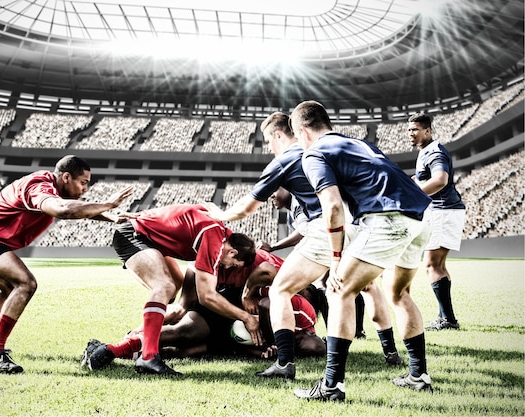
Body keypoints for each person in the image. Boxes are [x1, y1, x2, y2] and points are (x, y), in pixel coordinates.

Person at [204, 112, 401, 381]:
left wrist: (219, 214)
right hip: (360, 223)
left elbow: (247, 207)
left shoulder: (286, 157)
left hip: (326, 226)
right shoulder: (328, 148)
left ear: (277, 135)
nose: (268, 147)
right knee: (363, 288)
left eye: (267, 140)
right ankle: (390, 352)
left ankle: (285, 364)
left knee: (280, 290)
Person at [289, 100, 433, 402]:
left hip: (388, 217)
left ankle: (331, 386)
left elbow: (332, 207)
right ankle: (418, 375)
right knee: (399, 294)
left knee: (340, 291)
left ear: (302, 131)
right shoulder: (355, 143)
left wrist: (337, 259)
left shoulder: (313, 152)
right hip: (421, 216)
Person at [0, 155, 135, 374]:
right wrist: (109, 203)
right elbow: (64, 210)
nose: (86, 189)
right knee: (25, 284)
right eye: (84, 182)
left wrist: (111, 217)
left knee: (9, 288)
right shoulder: (39, 186)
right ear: (66, 177)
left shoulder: (51, 189)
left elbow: (77, 209)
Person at [82, 203, 257, 376]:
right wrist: (245, 317)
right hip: (135, 235)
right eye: (232, 264)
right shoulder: (214, 239)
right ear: (232, 252)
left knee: (174, 288)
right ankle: (149, 357)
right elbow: (207, 296)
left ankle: (123, 344)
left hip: (149, 238)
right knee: (165, 286)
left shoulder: (216, 229)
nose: (227, 268)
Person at [81, 249, 326, 364]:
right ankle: (115, 346)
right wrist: (247, 295)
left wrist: (262, 350)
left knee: (186, 350)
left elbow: (252, 345)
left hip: (229, 333)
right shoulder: (287, 293)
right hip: (222, 302)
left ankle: (129, 342)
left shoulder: (290, 321)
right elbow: (264, 275)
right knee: (183, 328)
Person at [260, 186, 367, 340]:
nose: (271, 196)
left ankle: (347, 332)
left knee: (331, 284)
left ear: (287, 188)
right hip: (335, 242)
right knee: (332, 285)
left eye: (275, 190)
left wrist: (273, 247)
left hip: (338, 239)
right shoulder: (292, 214)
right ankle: (346, 331)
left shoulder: (298, 201)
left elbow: (304, 232)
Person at [408, 112, 465, 331]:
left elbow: (440, 179)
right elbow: (424, 178)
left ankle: (448, 320)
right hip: (442, 211)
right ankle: (445, 317)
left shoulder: (434, 151)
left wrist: (414, 194)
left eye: (415, 129)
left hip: (443, 211)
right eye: (409, 129)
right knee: (438, 265)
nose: (410, 133)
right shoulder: (425, 152)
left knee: (431, 265)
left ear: (427, 131)